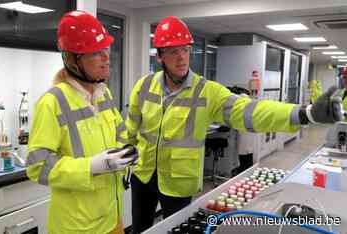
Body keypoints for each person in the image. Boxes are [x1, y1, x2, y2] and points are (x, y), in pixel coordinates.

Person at [125, 15, 343, 233]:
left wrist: (305, 114)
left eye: (186, 50)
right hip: (142, 175)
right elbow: (130, 129)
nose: (182, 57)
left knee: (177, 229)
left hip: (178, 181)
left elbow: (250, 111)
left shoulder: (206, 91)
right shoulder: (144, 86)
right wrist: (123, 162)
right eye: (173, 51)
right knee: (139, 228)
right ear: (160, 56)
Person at [26, 11, 135, 234]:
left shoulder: (104, 94)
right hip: (77, 227)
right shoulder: (52, 103)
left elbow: (121, 134)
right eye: (96, 52)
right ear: (73, 60)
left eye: (106, 49)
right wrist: (92, 166)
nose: (106, 57)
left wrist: (128, 152)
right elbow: (37, 167)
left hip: (112, 217)